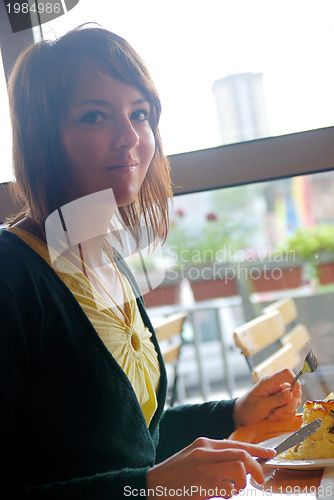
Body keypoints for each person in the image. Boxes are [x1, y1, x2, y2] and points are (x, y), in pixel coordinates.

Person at [0, 26, 302, 499]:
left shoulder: (105, 258)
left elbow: (136, 445)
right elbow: (138, 476)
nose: (130, 138)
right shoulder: (12, 273)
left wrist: (233, 413)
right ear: (44, 138)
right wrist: (147, 488)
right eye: (95, 116)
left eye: (140, 114)